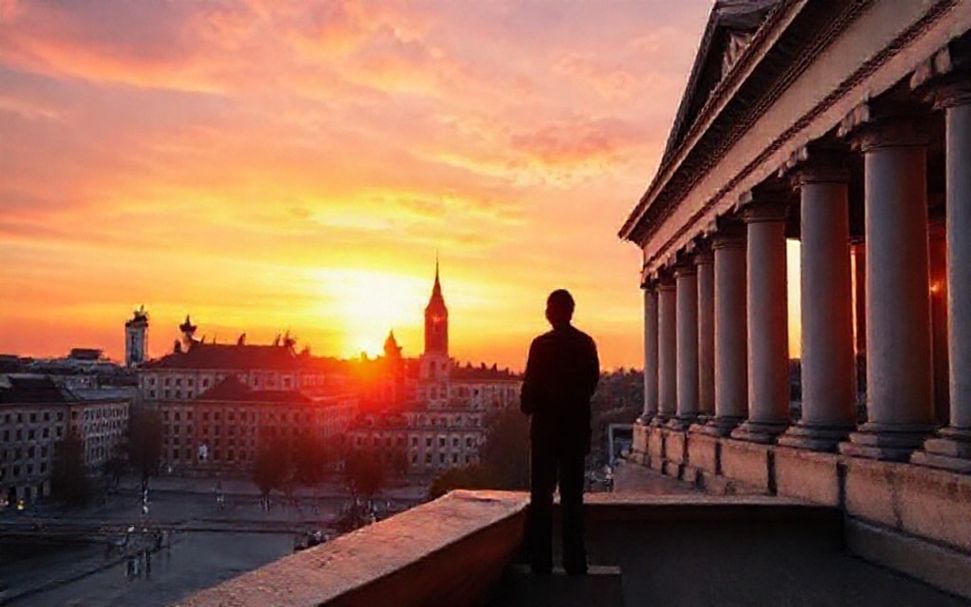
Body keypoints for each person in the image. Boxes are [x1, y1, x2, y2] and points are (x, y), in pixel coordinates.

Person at [521, 289, 600, 575]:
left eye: (548, 307)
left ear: (552, 312)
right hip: (574, 432)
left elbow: (530, 389)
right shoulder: (585, 344)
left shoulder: (541, 345)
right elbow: (591, 384)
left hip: (545, 433)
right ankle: (575, 560)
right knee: (573, 497)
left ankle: (540, 560)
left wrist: (531, 405)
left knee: (541, 496)